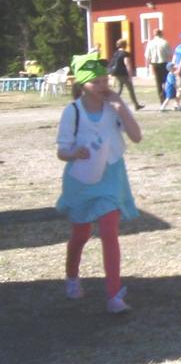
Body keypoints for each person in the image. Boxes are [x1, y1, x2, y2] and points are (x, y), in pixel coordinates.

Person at [56, 53, 142, 314]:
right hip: (82, 179)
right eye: (97, 82)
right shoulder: (72, 112)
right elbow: (62, 152)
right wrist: (75, 153)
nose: (104, 86)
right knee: (81, 234)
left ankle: (114, 295)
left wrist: (121, 108)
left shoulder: (112, 108)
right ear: (83, 85)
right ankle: (72, 277)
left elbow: (136, 137)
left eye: (106, 80)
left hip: (111, 176)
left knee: (108, 231)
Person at [108, 39, 144, 111]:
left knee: (119, 88)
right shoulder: (125, 54)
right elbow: (127, 64)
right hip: (123, 73)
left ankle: (112, 103)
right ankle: (136, 105)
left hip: (116, 73)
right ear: (125, 45)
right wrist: (130, 74)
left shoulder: (116, 53)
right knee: (130, 89)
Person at [144, 30, 171, 104]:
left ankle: (161, 99)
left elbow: (147, 56)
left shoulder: (150, 43)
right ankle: (166, 95)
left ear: (154, 35)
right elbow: (169, 54)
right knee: (166, 81)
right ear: (161, 34)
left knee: (158, 82)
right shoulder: (165, 42)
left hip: (154, 64)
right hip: (164, 63)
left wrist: (147, 67)